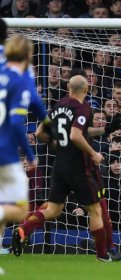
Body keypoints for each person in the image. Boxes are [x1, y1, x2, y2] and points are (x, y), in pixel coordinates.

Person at [12, 75, 119, 262]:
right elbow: (76, 135)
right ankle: (103, 255)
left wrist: (56, 144)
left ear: (69, 87)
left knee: (53, 209)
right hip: (79, 166)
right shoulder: (83, 107)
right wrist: (94, 154)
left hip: (59, 164)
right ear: (85, 90)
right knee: (95, 210)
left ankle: (23, 230)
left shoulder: (58, 106)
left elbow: (39, 133)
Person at [0, 34, 44, 261]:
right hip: (4, 151)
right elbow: (18, 122)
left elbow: (36, 102)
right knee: (18, 208)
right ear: (27, 54)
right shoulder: (21, 77)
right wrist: (30, 154)